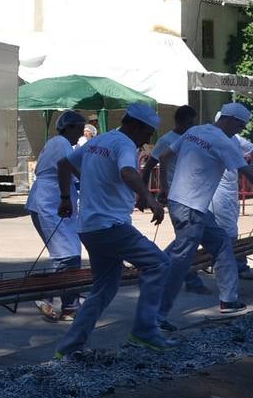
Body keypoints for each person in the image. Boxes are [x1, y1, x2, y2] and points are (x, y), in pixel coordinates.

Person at [52, 102, 171, 355]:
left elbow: (64, 164)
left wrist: (67, 196)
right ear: (135, 126)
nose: (147, 140)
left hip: (90, 228)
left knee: (104, 288)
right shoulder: (125, 144)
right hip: (110, 225)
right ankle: (145, 331)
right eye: (148, 133)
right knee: (159, 263)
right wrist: (149, 199)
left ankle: (68, 347)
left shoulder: (99, 141)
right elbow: (128, 172)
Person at [157, 102, 253, 318]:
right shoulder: (224, 142)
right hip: (191, 207)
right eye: (240, 127)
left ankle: (228, 300)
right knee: (181, 262)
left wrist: (164, 189)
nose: (239, 131)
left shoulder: (195, 131)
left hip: (186, 203)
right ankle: (156, 315)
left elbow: (164, 157)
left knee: (221, 242)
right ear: (230, 120)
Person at [140, 105, 208, 293]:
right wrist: (145, 194)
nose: (194, 125)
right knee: (186, 238)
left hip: (191, 194)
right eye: (192, 122)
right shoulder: (167, 140)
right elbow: (149, 166)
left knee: (188, 237)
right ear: (185, 121)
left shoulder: (192, 139)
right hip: (175, 194)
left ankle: (166, 265)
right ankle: (182, 274)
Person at [28, 111, 87, 321]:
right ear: (68, 127)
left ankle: (69, 304)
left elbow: (72, 168)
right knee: (66, 254)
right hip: (51, 199)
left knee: (68, 253)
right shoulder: (61, 143)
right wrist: (65, 197)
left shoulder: (58, 143)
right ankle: (47, 296)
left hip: (50, 198)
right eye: (79, 129)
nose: (80, 134)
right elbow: (66, 166)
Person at [208, 127, 253, 282]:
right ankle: (236, 265)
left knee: (221, 230)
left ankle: (220, 263)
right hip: (218, 191)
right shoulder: (215, 138)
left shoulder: (235, 138)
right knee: (229, 231)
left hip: (229, 190)